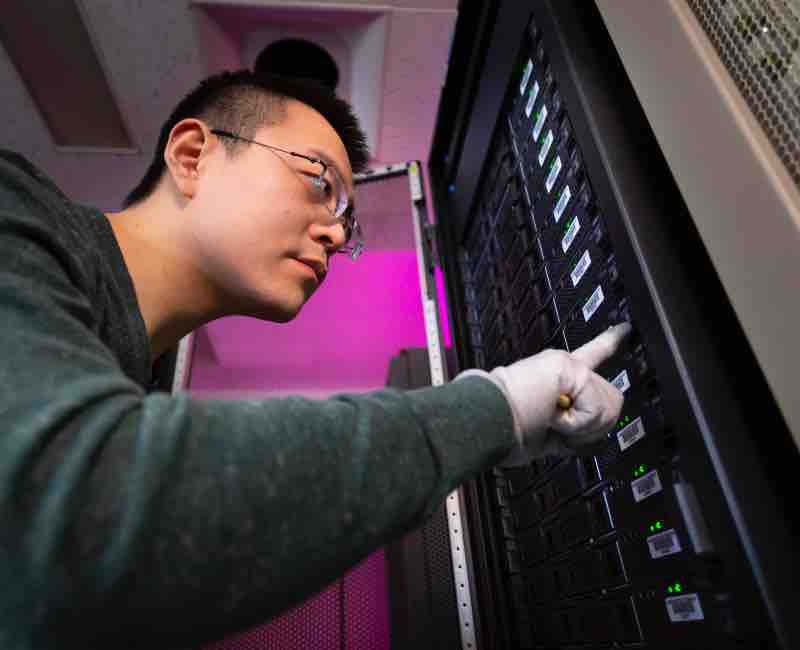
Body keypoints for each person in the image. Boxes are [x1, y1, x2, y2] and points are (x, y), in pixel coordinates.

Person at [0, 70, 629, 649]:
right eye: (319, 183)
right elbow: (81, 519)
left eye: (347, 220)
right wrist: (497, 407)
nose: (336, 232)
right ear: (192, 157)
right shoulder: (14, 210)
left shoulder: (134, 376)